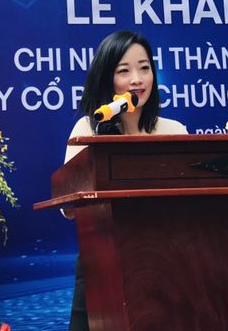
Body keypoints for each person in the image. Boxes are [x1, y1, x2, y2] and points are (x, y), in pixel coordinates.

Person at [65, 30, 187, 331]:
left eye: (144, 68)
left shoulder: (174, 131)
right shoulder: (87, 129)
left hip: (165, 261)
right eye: (124, 71)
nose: (137, 80)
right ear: (107, 78)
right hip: (101, 260)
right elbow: (69, 208)